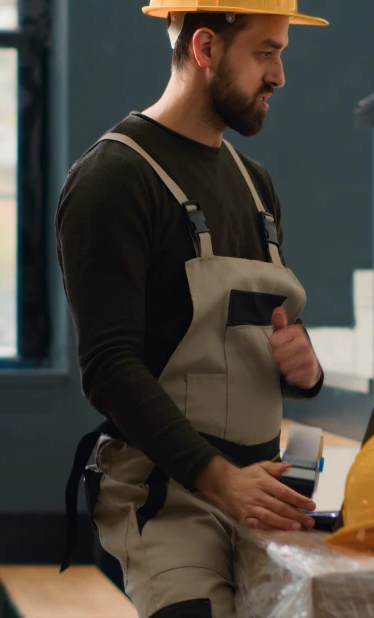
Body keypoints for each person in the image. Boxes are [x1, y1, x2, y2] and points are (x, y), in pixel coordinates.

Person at [54, 2, 329, 616]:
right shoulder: (113, 179)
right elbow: (109, 367)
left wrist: (304, 366)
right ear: (205, 48)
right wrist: (218, 477)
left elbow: (254, 330)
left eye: (281, 53)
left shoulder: (255, 184)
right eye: (265, 53)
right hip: (169, 497)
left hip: (262, 491)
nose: (279, 76)